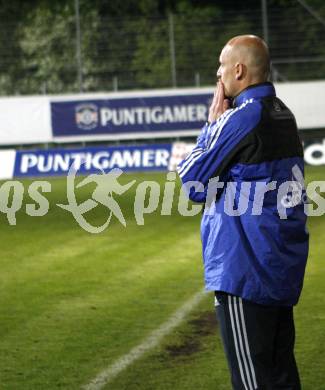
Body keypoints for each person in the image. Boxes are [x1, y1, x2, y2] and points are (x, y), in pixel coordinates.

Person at [177, 35, 309, 390]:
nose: (218, 74)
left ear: (239, 70)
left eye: (221, 66)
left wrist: (211, 125)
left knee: (252, 382)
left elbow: (191, 180)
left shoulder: (242, 118)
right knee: (281, 375)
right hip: (279, 267)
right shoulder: (283, 115)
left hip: (244, 270)